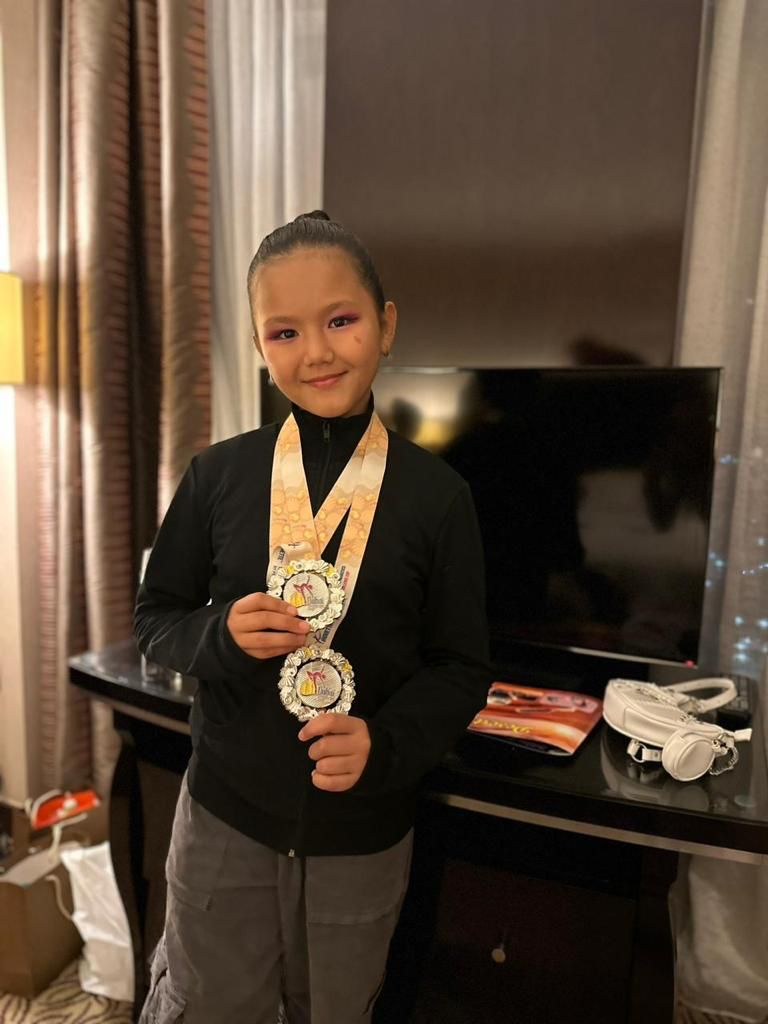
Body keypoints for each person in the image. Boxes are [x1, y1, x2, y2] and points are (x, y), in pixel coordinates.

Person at [134, 210, 491, 1024]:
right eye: (285, 332)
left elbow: (462, 666)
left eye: (340, 320)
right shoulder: (218, 475)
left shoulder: (439, 498)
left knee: (334, 1008)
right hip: (224, 816)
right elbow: (156, 617)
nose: (317, 352)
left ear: (386, 325)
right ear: (259, 347)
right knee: (206, 1002)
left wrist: (384, 744)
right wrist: (219, 634)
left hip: (360, 832)